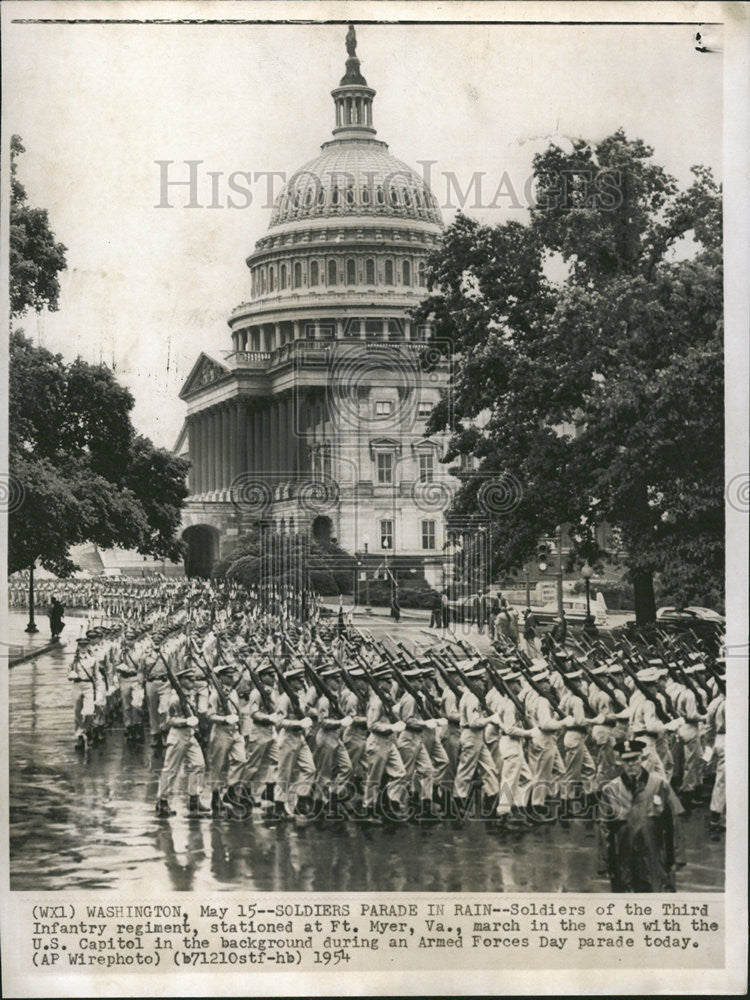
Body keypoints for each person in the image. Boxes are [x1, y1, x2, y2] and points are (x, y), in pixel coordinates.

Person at [599, 738, 683, 892]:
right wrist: (605, 864)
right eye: (626, 760)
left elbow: (673, 823)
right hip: (624, 858)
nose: (631, 764)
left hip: (653, 857)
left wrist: (676, 858)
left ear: (642, 759)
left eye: (634, 759)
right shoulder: (611, 790)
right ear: (621, 762)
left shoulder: (659, 785)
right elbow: (605, 829)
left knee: (655, 899)